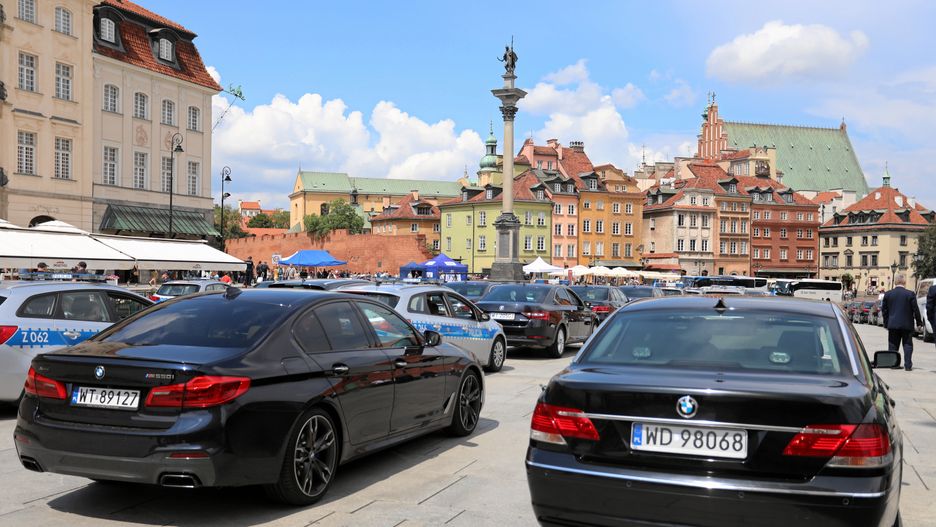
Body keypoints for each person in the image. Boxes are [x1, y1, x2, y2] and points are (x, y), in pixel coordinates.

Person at [882, 274, 923, 371]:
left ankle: (893, 364)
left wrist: (886, 323)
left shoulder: (888, 294)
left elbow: (884, 310)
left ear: (895, 282)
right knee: (907, 344)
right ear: (904, 282)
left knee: (893, 344)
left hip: (893, 324)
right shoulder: (910, 294)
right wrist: (919, 322)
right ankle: (908, 365)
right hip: (907, 324)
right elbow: (915, 309)